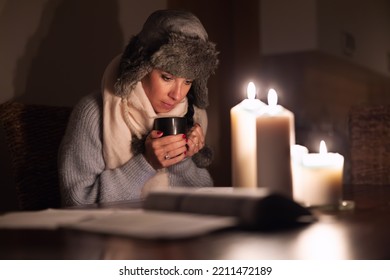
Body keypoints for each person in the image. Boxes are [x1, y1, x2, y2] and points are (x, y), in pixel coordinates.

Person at [58, 9, 219, 206]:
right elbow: (77, 203)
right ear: (141, 68)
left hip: (173, 233)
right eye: (167, 77)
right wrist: (146, 163)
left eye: (188, 81)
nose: (177, 95)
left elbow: (207, 201)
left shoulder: (192, 116)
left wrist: (180, 156)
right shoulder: (94, 113)